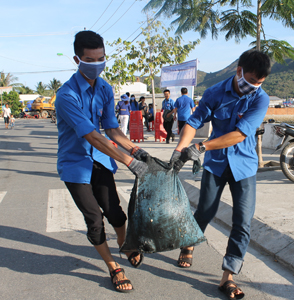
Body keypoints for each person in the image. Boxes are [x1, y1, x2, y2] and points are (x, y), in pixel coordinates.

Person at [169, 49, 271, 299]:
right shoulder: (215, 92)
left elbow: (240, 134)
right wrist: (180, 149)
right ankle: (189, 242)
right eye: (251, 81)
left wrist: (201, 147)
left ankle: (228, 276)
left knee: (243, 220)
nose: (255, 87)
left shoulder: (261, 98)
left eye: (260, 83)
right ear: (239, 71)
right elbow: (194, 122)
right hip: (216, 165)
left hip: (244, 166)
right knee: (205, 210)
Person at [55, 30, 150, 293]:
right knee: (95, 220)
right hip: (75, 164)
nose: (97, 64)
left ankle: (125, 244)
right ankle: (113, 266)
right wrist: (130, 162)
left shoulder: (106, 88)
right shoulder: (66, 96)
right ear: (77, 59)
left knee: (116, 214)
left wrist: (135, 149)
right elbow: (92, 136)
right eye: (90, 59)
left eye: (101, 59)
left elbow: (111, 129)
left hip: (100, 160)